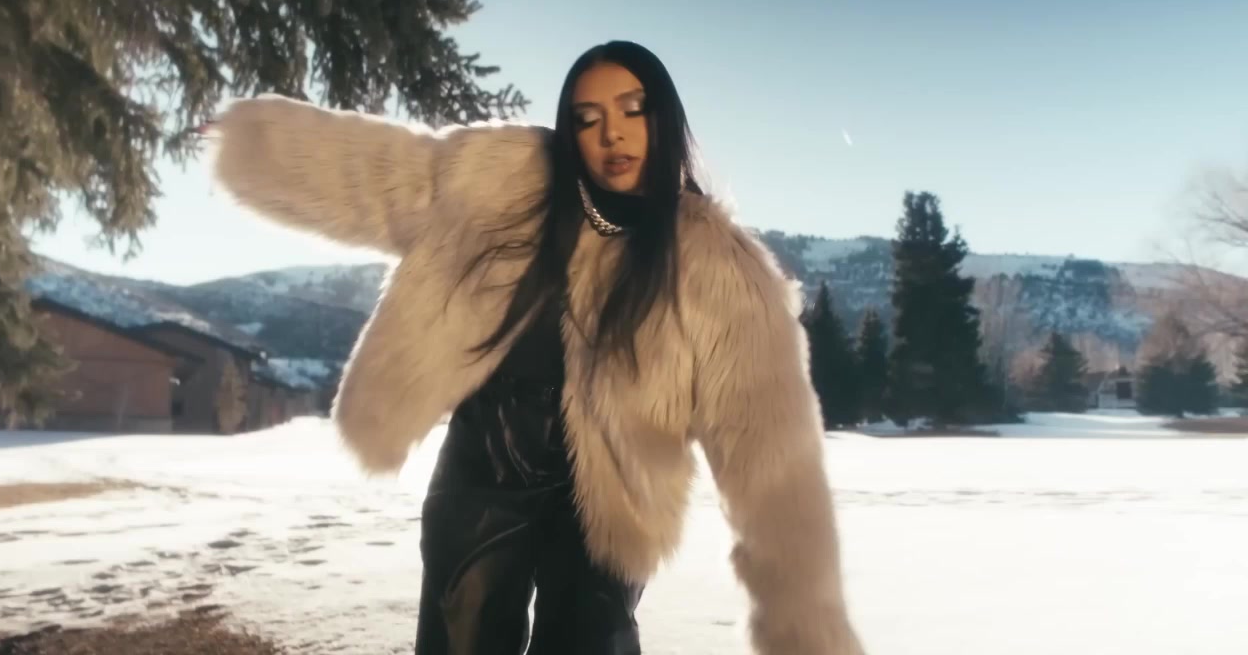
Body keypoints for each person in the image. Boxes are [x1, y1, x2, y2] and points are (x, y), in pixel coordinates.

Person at [208, 41, 864, 655]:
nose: (611, 134)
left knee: (592, 639)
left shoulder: (723, 269)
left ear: (665, 118)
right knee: (460, 633)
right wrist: (256, 142)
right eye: (587, 119)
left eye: (632, 110)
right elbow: (389, 174)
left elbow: (773, 458)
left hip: (615, 484)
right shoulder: (508, 180)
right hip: (484, 462)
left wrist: (807, 626)